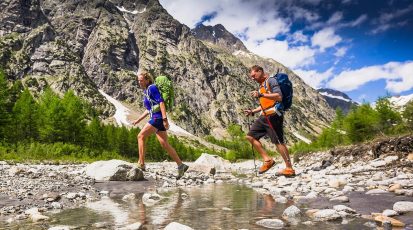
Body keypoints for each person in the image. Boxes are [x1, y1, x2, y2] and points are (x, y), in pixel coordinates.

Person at [132, 71, 189, 179]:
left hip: (157, 118)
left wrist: (164, 119)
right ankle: (181, 165)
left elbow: (161, 102)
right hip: (156, 117)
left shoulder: (152, 88)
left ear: (147, 80)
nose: (139, 82)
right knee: (164, 144)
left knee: (140, 136)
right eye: (138, 80)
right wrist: (138, 120)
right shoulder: (147, 91)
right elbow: (149, 109)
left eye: (141, 80)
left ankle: (142, 164)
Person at [244, 65, 295, 177]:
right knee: (250, 136)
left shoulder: (270, 81)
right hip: (264, 115)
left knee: (278, 141)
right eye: (251, 77)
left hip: (274, 115)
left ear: (260, 71)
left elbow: (279, 97)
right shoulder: (261, 86)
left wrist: (261, 94)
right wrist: (252, 111)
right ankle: (268, 160)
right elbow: (264, 104)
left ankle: (289, 168)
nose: (253, 78)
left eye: (254, 75)